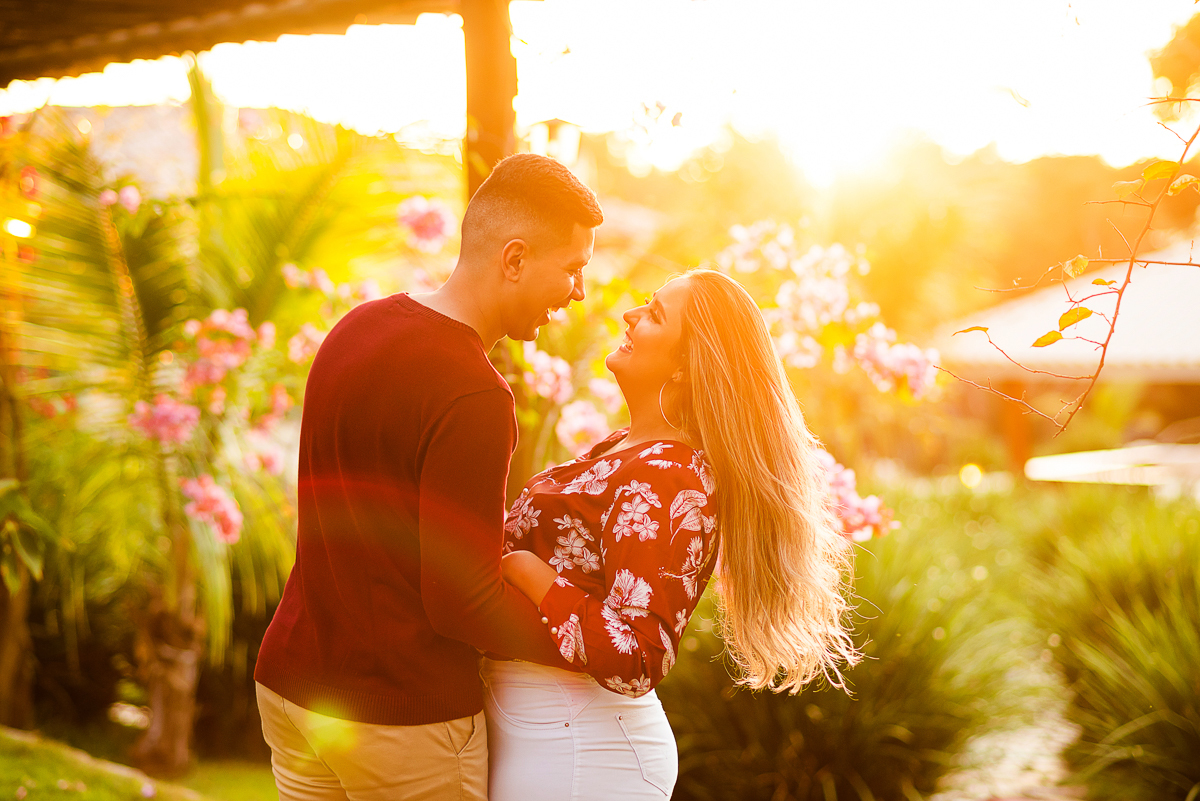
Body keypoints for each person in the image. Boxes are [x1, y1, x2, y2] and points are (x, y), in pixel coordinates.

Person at [253, 154, 603, 801]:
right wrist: (589, 642)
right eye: (574, 268)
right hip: (397, 721)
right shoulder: (474, 394)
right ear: (516, 258)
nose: (579, 291)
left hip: (295, 689)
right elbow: (461, 600)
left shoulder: (355, 328)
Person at [494, 268, 860, 800]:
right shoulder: (625, 447)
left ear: (687, 366)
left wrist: (529, 574)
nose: (630, 316)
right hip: (551, 732)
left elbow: (639, 654)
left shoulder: (670, 473)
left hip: (583, 749)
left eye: (655, 314)